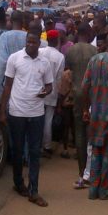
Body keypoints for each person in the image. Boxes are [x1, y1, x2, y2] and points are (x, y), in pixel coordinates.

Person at [0, 32, 53, 207]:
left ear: (39, 44)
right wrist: (2, 111)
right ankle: (18, 183)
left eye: (34, 42)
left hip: (36, 112)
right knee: (17, 150)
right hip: (17, 112)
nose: (30, 45)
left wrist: (45, 92)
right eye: (28, 42)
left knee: (35, 152)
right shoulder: (14, 58)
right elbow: (7, 86)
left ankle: (33, 190)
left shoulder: (45, 62)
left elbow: (49, 85)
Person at [81, 33, 108, 200]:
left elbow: (84, 87)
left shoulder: (94, 60)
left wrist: (86, 109)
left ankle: (93, 190)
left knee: (96, 151)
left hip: (95, 112)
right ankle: (105, 190)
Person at [64, 23, 97, 189]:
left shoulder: (70, 51)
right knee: (92, 132)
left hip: (77, 94)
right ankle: (93, 171)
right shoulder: (95, 51)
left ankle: (81, 171)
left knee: (79, 132)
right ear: (89, 34)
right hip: (92, 95)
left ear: (78, 33)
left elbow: (67, 73)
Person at [39, 29, 65, 158]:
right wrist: (59, 97)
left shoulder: (40, 51)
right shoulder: (60, 56)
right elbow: (59, 78)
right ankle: (47, 146)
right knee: (48, 120)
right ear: (56, 40)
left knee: (38, 118)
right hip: (52, 90)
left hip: (39, 89)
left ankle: (38, 144)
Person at [0, 10, 27, 85]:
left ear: (10, 21)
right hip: (25, 79)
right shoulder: (27, 36)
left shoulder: (4, 36)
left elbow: (3, 61)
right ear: (23, 21)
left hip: (9, 80)